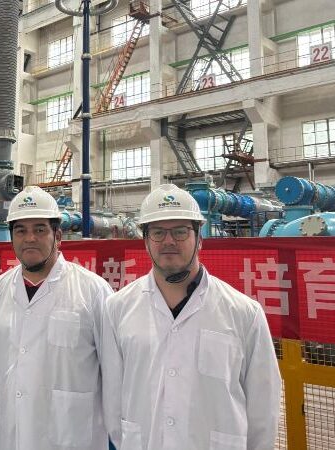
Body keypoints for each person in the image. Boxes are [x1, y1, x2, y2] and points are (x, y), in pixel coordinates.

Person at [101, 184, 281, 450]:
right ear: (146, 240)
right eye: (158, 232)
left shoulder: (243, 313)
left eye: (180, 231)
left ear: (199, 238)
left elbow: (263, 409)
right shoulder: (117, 308)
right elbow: (113, 402)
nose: (169, 241)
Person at [0, 185, 113, 450]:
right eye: (21, 231)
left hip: (70, 438)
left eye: (40, 230)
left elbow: (114, 374)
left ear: (58, 235)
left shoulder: (92, 291)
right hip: (9, 436)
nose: (30, 238)